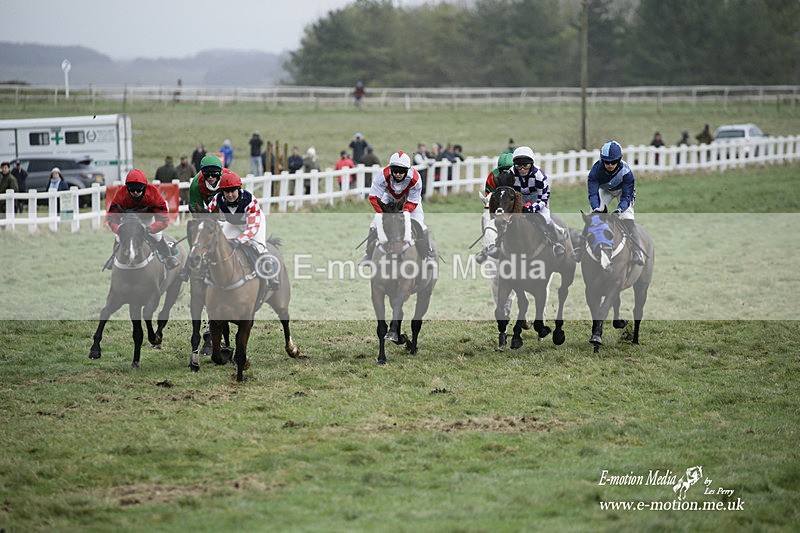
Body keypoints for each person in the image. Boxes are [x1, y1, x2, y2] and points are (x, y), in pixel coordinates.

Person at [485, 146, 568, 260]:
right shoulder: (511, 174)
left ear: (531, 164)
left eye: (526, 165)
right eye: (519, 166)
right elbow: (509, 194)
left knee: (546, 219)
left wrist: (533, 208)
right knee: (505, 221)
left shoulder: (540, 176)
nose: (522, 169)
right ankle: (497, 245)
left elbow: (543, 199)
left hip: (537, 199)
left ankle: (555, 243)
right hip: (520, 198)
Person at [573, 140, 645, 266]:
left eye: (613, 162)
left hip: (623, 192)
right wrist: (596, 208)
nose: (610, 165)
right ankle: (580, 249)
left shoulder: (627, 173)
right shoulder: (595, 171)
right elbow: (593, 194)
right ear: (602, 160)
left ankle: (637, 251)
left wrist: (619, 210)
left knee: (627, 217)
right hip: (605, 190)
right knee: (592, 217)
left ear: (619, 160)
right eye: (607, 162)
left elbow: (627, 197)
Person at [361, 151, 436, 264]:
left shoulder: (415, 179)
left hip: (409, 200)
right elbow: (374, 197)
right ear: (391, 169)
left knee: (420, 225)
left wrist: (404, 213)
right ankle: (368, 255)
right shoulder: (382, 176)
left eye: (402, 171)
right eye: (395, 171)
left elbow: (413, 200)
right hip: (389, 198)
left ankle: (427, 255)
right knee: (374, 224)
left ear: (407, 171)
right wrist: (385, 213)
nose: (398, 174)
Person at [207, 170, 277, 289]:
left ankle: (271, 278)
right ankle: (208, 274)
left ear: (238, 189)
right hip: (233, 223)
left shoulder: (250, 200)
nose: (229, 195)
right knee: (218, 245)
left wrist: (238, 240)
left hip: (254, 224)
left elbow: (252, 228)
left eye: (232, 191)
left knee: (260, 248)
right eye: (226, 192)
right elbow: (207, 213)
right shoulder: (217, 198)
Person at [103, 169, 180, 271]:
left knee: (157, 235)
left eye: (139, 189)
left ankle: (168, 258)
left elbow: (163, 219)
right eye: (132, 189)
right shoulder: (121, 194)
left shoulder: (153, 193)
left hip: (147, 220)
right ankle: (113, 258)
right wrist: (119, 229)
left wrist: (150, 229)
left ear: (144, 187)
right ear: (127, 188)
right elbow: (112, 216)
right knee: (118, 237)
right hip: (127, 221)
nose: (135, 192)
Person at [475, 152, 514, 264]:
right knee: (486, 214)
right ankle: (486, 248)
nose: (505, 172)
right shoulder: (493, 176)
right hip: (498, 204)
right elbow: (489, 197)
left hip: (514, 203)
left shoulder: (518, 175)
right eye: (503, 170)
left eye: (509, 169)